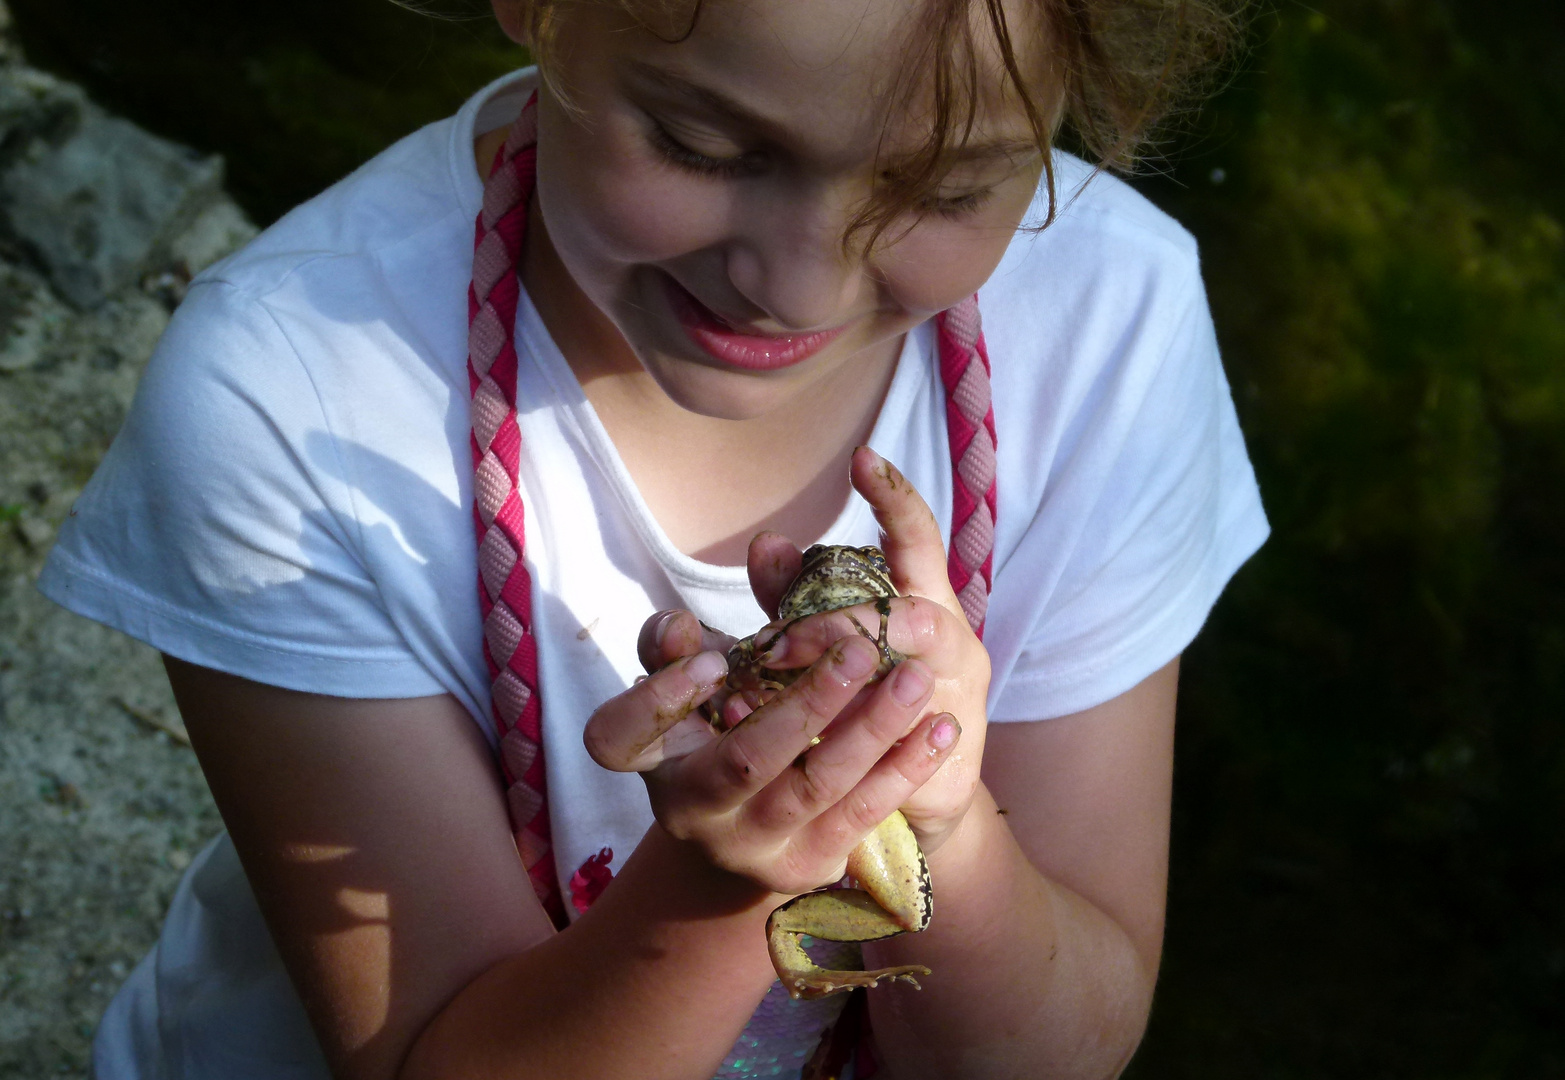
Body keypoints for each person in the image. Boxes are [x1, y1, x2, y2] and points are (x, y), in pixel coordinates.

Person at [39, 0, 1265, 1076]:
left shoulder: (1111, 324)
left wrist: (942, 818)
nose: (803, 286)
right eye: (703, 145)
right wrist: (719, 885)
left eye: (943, 190)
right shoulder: (289, 397)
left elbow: (1059, 1049)